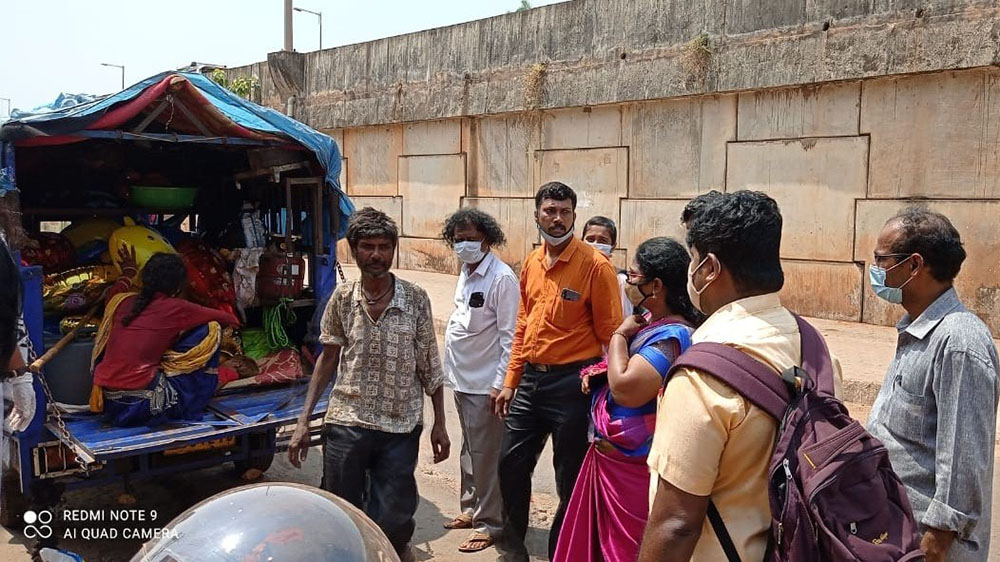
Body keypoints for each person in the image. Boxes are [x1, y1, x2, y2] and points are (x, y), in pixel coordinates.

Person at [638, 190, 842, 562]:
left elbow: (677, 524)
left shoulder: (702, 373)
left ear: (709, 269)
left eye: (694, 259)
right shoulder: (813, 346)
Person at [287, 207, 450, 562]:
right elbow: (326, 360)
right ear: (354, 249)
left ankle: (391, 550)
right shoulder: (343, 298)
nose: (376, 254)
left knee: (394, 511)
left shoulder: (415, 298)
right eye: (368, 247)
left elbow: (430, 364)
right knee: (340, 506)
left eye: (384, 246)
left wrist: (440, 422)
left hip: (400, 422)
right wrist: (303, 422)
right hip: (348, 418)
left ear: (393, 249)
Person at [494, 182, 624, 561]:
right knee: (510, 465)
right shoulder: (532, 262)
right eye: (550, 211)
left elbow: (611, 336)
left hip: (573, 384)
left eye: (565, 212)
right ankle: (513, 546)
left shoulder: (595, 267)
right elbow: (522, 325)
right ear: (537, 215)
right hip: (531, 382)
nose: (557, 218)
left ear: (573, 216)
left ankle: (561, 552)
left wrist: (606, 389)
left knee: (569, 478)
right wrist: (510, 382)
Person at [554, 237, 702, 562]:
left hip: (632, 472)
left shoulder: (672, 336)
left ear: (656, 285)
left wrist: (618, 336)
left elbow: (626, 388)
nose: (628, 283)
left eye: (633, 277)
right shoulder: (651, 325)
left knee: (624, 551)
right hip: (610, 464)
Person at [865, 207, 999, 562]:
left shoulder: (959, 343)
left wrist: (933, 548)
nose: (875, 269)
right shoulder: (918, 330)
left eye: (882, 259)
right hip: (897, 533)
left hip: (929, 548)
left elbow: (963, 462)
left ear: (913, 265)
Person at [440, 208, 519, 553]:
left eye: (471, 239)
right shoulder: (466, 271)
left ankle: (491, 523)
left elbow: (509, 336)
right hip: (462, 377)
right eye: (459, 240)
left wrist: (501, 383)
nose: (465, 245)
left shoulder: (501, 278)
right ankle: (470, 508)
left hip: (485, 381)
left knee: (486, 453)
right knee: (469, 449)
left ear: (486, 238)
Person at [92, 249, 242, 427]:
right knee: (211, 328)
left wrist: (128, 272)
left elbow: (116, 290)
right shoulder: (177, 307)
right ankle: (201, 397)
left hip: (108, 402)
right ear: (178, 286)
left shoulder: (121, 301)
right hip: (143, 405)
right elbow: (231, 320)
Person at [581, 216, 632, 317]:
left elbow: (624, 317)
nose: (595, 244)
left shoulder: (620, 280)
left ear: (613, 246)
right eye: (590, 239)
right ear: (582, 241)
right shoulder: (573, 273)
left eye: (602, 241)